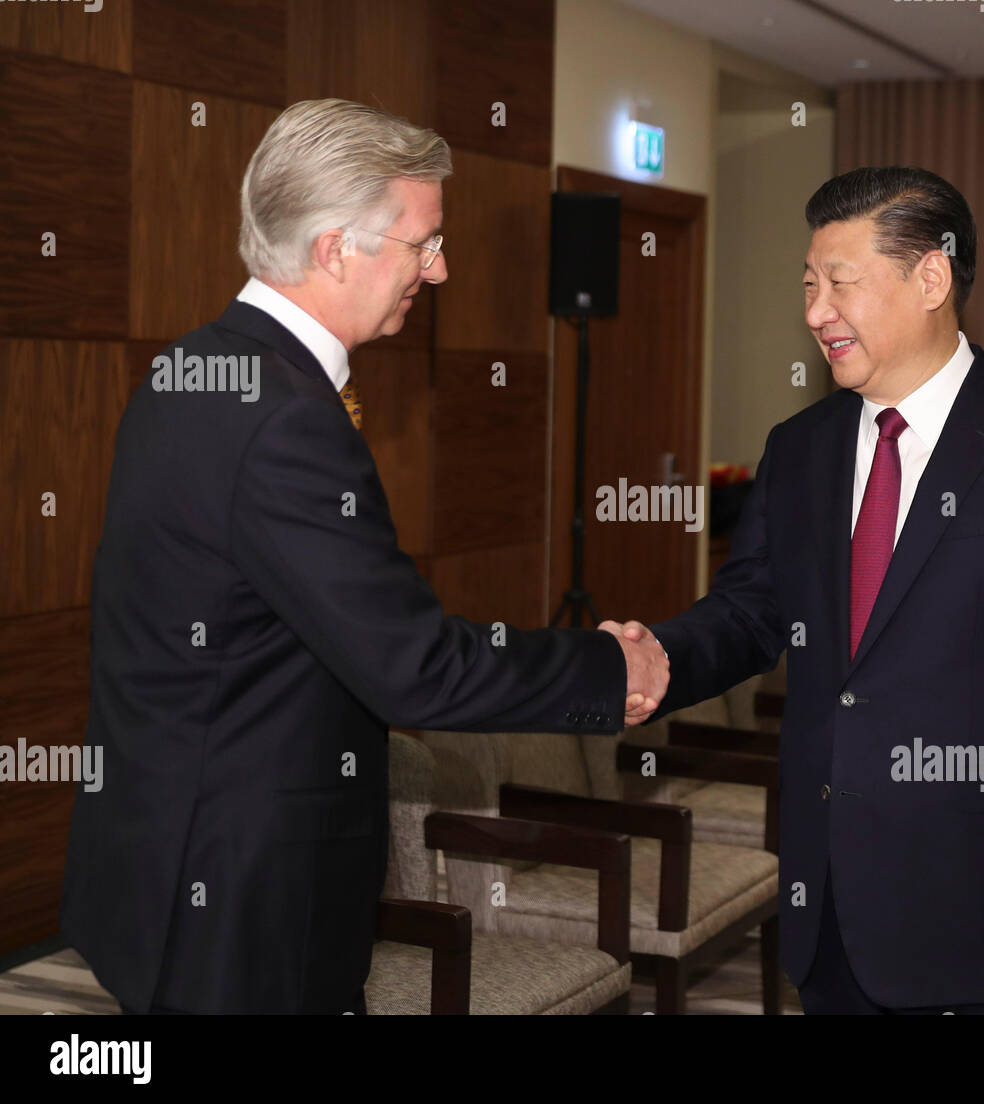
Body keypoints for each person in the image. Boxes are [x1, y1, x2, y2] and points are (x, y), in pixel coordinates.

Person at [59, 99, 668, 1015]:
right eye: (423, 242)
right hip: (243, 902)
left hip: (163, 862)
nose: (442, 267)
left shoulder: (187, 369)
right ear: (338, 248)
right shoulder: (287, 418)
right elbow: (413, 667)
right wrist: (602, 663)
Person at [616, 166, 984, 1014]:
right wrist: (664, 657)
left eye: (839, 284)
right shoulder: (798, 447)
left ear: (931, 278)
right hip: (829, 904)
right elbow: (753, 610)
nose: (814, 313)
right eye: (807, 286)